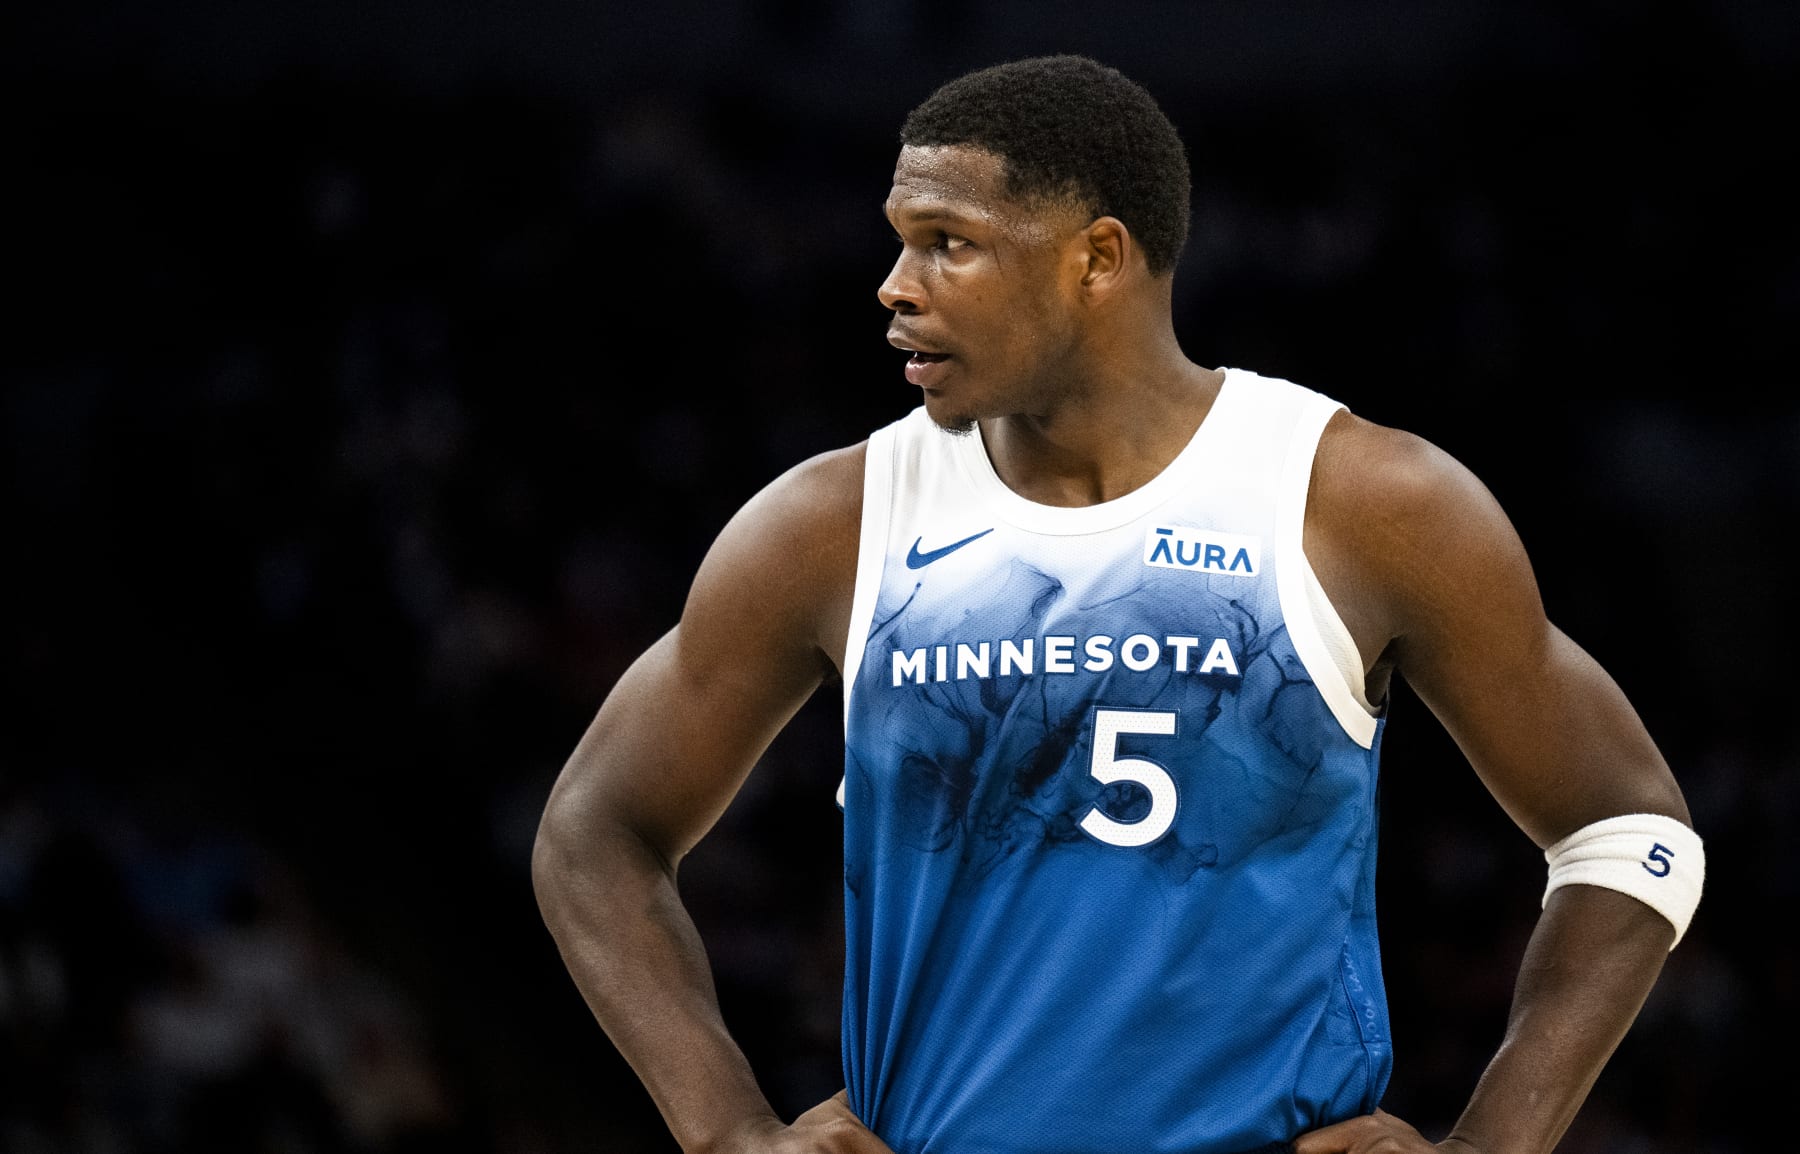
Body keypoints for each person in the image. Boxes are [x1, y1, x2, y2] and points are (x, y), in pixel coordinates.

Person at [531, 54, 1703, 1154]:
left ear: (1097, 258)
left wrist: (1499, 1138)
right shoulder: (834, 520)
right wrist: (726, 1127)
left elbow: (1631, 833)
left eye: (949, 244)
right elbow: (593, 828)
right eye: (899, 242)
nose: (895, 287)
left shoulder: (1359, 498)